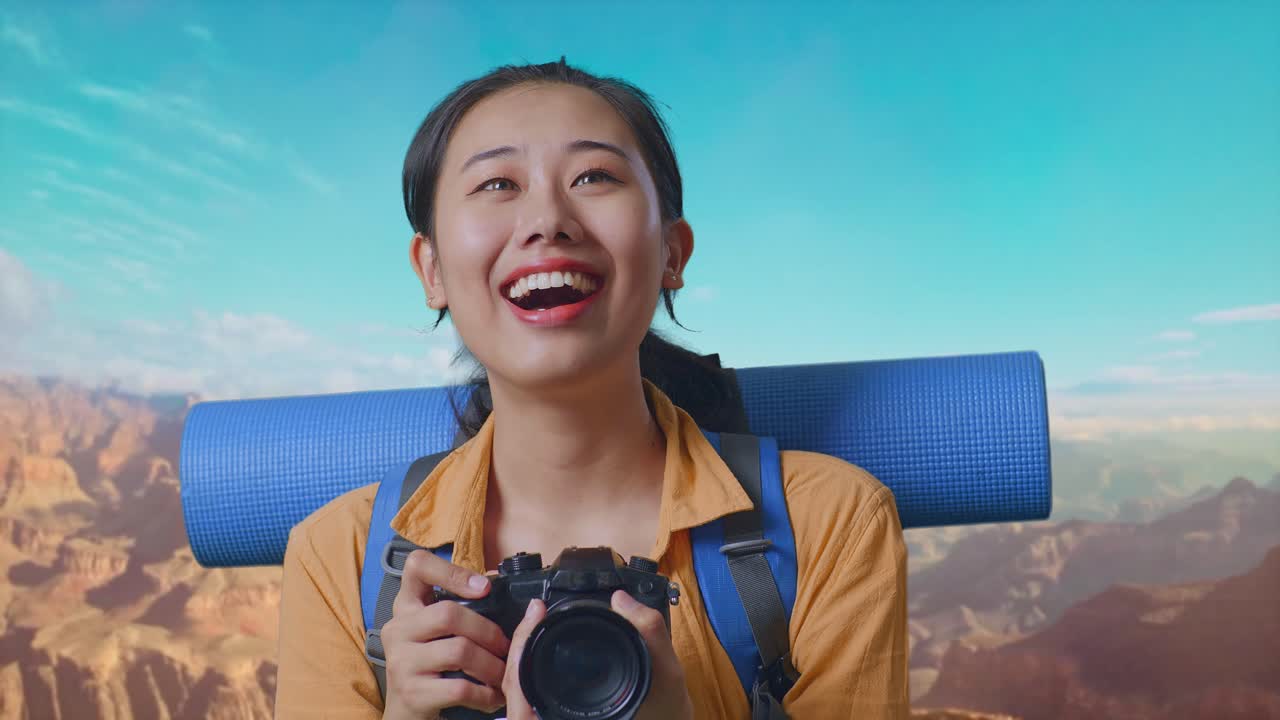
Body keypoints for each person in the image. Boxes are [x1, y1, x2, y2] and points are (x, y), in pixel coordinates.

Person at [274, 58, 909, 720]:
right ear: (430, 269)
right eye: (497, 183)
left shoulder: (831, 523)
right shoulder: (339, 558)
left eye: (594, 176)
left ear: (672, 252)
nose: (547, 219)